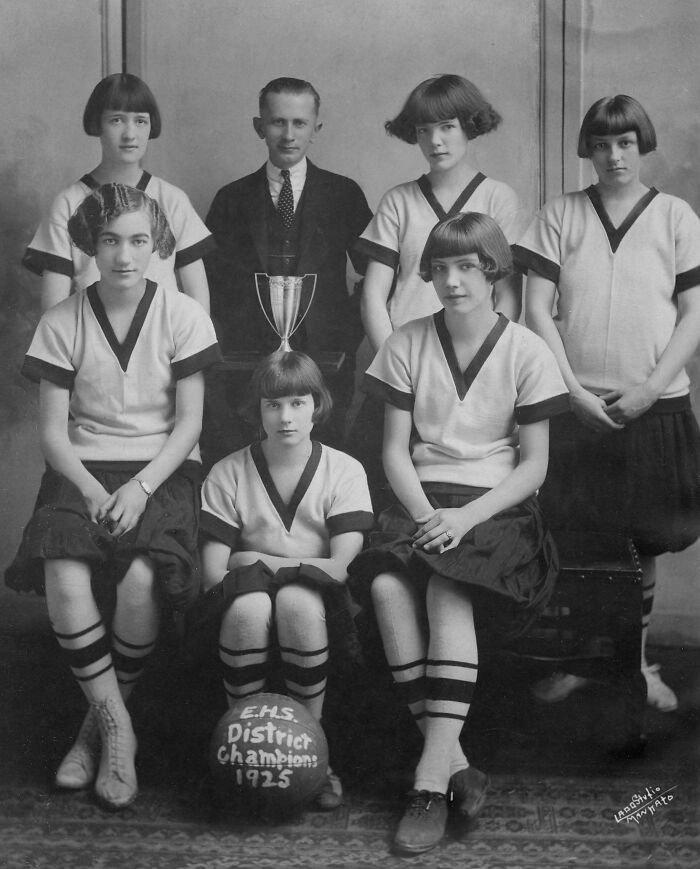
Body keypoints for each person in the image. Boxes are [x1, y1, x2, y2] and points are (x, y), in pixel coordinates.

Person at [348, 213, 568, 854]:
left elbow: (534, 467)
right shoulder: (407, 342)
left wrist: (465, 520)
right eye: (440, 268)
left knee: (446, 590)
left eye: (466, 267)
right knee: (388, 587)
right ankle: (456, 758)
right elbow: (394, 452)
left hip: (495, 511)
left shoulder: (526, 350)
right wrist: (425, 519)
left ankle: (425, 784)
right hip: (421, 501)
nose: (451, 282)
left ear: (493, 271)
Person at [5, 184, 221, 810]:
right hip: (83, 470)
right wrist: (97, 489)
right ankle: (119, 724)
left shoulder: (183, 313)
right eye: (108, 241)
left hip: (163, 467)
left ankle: (95, 730)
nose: (124, 256)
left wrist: (141, 485)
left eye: (138, 241)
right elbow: (52, 432)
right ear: (88, 246)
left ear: (158, 246)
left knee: (138, 581)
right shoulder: (61, 319)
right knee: (65, 573)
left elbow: (189, 426)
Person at [515, 94, 700, 713]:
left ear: (642, 144)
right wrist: (568, 390)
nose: (614, 155)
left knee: (641, 541)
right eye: (601, 143)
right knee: (577, 538)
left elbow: (695, 315)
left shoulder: (676, 216)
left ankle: (638, 665)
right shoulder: (559, 215)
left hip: (654, 405)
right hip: (576, 406)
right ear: (587, 150)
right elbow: (535, 308)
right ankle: (584, 662)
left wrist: (649, 390)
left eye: (625, 142)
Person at [194, 351, 373, 810]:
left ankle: (313, 752)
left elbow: (339, 568)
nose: (286, 417)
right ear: (257, 410)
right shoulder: (228, 471)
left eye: (297, 403)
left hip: (321, 606)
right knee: (250, 604)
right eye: (272, 405)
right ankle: (243, 745)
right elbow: (214, 574)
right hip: (242, 603)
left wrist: (253, 556)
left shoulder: (345, 470)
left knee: (294, 598)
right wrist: (291, 563)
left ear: (318, 405)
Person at [203, 77, 372, 459]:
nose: (288, 134)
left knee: (325, 458)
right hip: (248, 359)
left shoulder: (343, 194)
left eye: (300, 123)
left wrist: (346, 334)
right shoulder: (231, 199)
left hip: (325, 357)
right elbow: (209, 284)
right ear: (259, 126)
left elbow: (374, 274)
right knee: (250, 460)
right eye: (278, 122)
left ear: (316, 129)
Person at [358, 73, 527, 356]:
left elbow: (508, 295)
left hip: (476, 355)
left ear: (468, 126)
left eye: (446, 127)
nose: (435, 141)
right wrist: (393, 363)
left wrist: (484, 359)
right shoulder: (398, 201)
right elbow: (373, 296)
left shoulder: (499, 198)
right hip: (408, 352)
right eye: (424, 130)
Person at [23, 73, 213, 312]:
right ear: (97, 124)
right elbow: (54, 311)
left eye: (140, 121)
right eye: (116, 120)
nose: (130, 134)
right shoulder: (68, 203)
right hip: (92, 341)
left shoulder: (172, 200)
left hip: (165, 344)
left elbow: (199, 302)